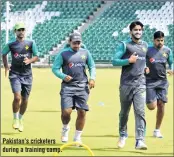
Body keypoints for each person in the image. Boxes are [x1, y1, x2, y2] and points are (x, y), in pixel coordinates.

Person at [52, 32, 96, 144]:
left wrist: (92, 78)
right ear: (69, 42)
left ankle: (77, 137)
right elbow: (55, 69)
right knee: (66, 112)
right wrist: (63, 76)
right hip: (67, 87)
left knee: (82, 112)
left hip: (82, 86)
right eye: (74, 43)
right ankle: (65, 128)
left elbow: (92, 66)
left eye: (78, 43)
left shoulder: (85, 52)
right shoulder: (63, 54)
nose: (76, 45)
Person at [112, 21, 148, 150]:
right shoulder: (124, 45)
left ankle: (140, 140)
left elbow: (146, 61)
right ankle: (122, 134)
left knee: (140, 111)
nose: (138, 32)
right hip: (126, 84)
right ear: (131, 32)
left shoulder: (145, 45)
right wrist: (128, 61)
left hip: (141, 84)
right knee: (124, 113)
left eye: (140, 30)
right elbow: (114, 61)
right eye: (135, 30)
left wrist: (147, 68)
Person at [1, 22, 39, 132]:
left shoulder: (31, 43)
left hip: (27, 75)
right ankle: (15, 118)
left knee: (25, 100)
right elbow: (3, 54)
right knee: (17, 97)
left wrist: (30, 60)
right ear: (15, 32)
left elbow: (36, 56)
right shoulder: (10, 44)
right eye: (19, 30)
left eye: (23, 29)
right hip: (15, 74)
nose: (21, 32)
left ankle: (21, 119)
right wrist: (6, 66)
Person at [146, 31, 173, 138]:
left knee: (161, 105)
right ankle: (151, 99)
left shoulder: (167, 50)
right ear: (154, 40)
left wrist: (172, 69)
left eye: (162, 40)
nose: (160, 42)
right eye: (158, 40)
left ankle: (157, 130)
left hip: (162, 82)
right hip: (149, 81)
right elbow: (142, 61)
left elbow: (171, 62)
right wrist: (144, 67)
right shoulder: (148, 50)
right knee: (152, 107)